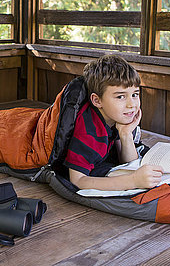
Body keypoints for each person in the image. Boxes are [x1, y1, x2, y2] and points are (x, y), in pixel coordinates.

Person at [63, 54, 164, 191]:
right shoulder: (88, 132)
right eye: (121, 96)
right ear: (97, 101)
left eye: (135, 94)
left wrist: (126, 134)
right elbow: (78, 180)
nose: (131, 104)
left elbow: (129, 164)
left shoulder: (115, 117)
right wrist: (133, 181)